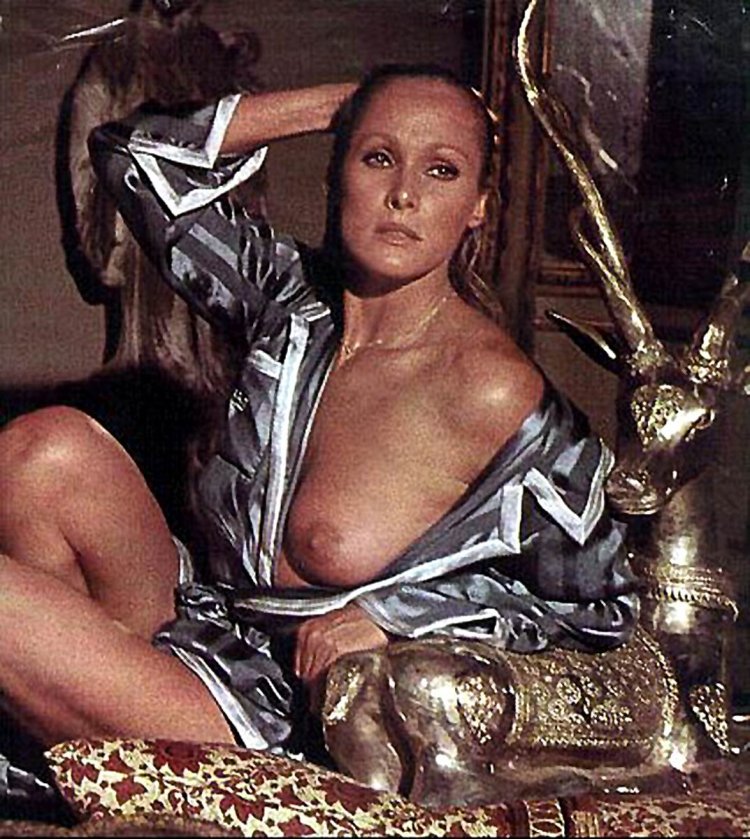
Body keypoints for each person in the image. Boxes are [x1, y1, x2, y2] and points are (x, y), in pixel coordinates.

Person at [0, 64, 638, 761]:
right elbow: (131, 154)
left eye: (442, 171)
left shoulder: (494, 391)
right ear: (338, 175)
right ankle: (94, 744)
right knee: (41, 450)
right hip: (205, 636)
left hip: (289, 720)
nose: (403, 194)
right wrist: (344, 104)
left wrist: (398, 616)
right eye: (378, 157)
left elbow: (602, 611)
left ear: (479, 206)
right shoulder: (292, 304)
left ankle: (98, 739)